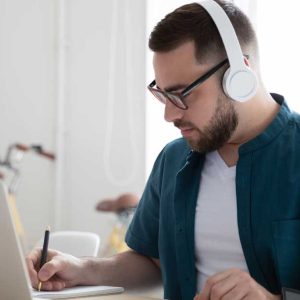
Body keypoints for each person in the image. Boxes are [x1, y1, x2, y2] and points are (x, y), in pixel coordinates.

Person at [26, 1, 297, 299]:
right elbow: (152, 262)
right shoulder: (173, 159)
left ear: (239, 77)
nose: (169, 115)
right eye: (163, 94)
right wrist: (82, 269)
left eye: (182, 94)